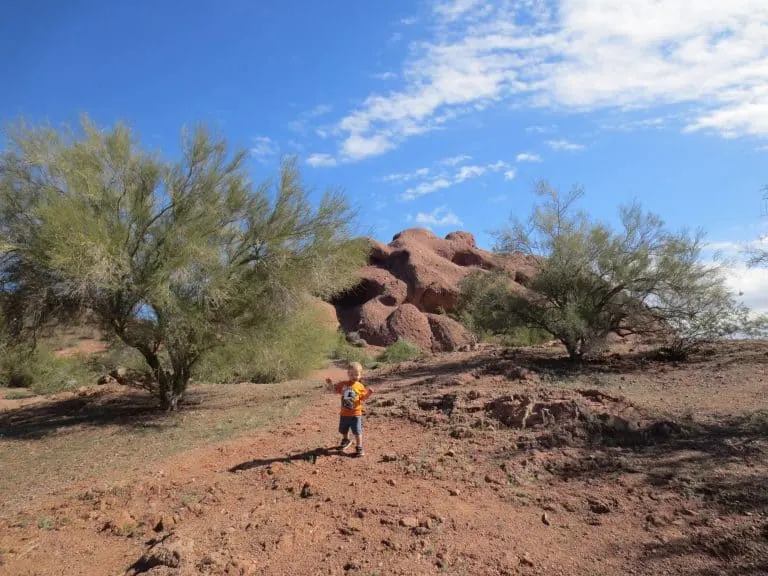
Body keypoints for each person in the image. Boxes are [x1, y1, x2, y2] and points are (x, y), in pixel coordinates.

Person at [325, 362, 373, 457]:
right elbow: (334, 391)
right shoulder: (343, 384)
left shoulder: (360, 386)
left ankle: (359, 447)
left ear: (360, 375)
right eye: (351, 374)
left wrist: (369, 393)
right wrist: (330, 384)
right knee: (343, 429)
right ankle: (346, 440)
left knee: (357, 431)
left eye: (356, 374)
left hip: (356, 414)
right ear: (348, 374)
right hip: (344, 413)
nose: (354, 376)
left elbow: (363, 398)